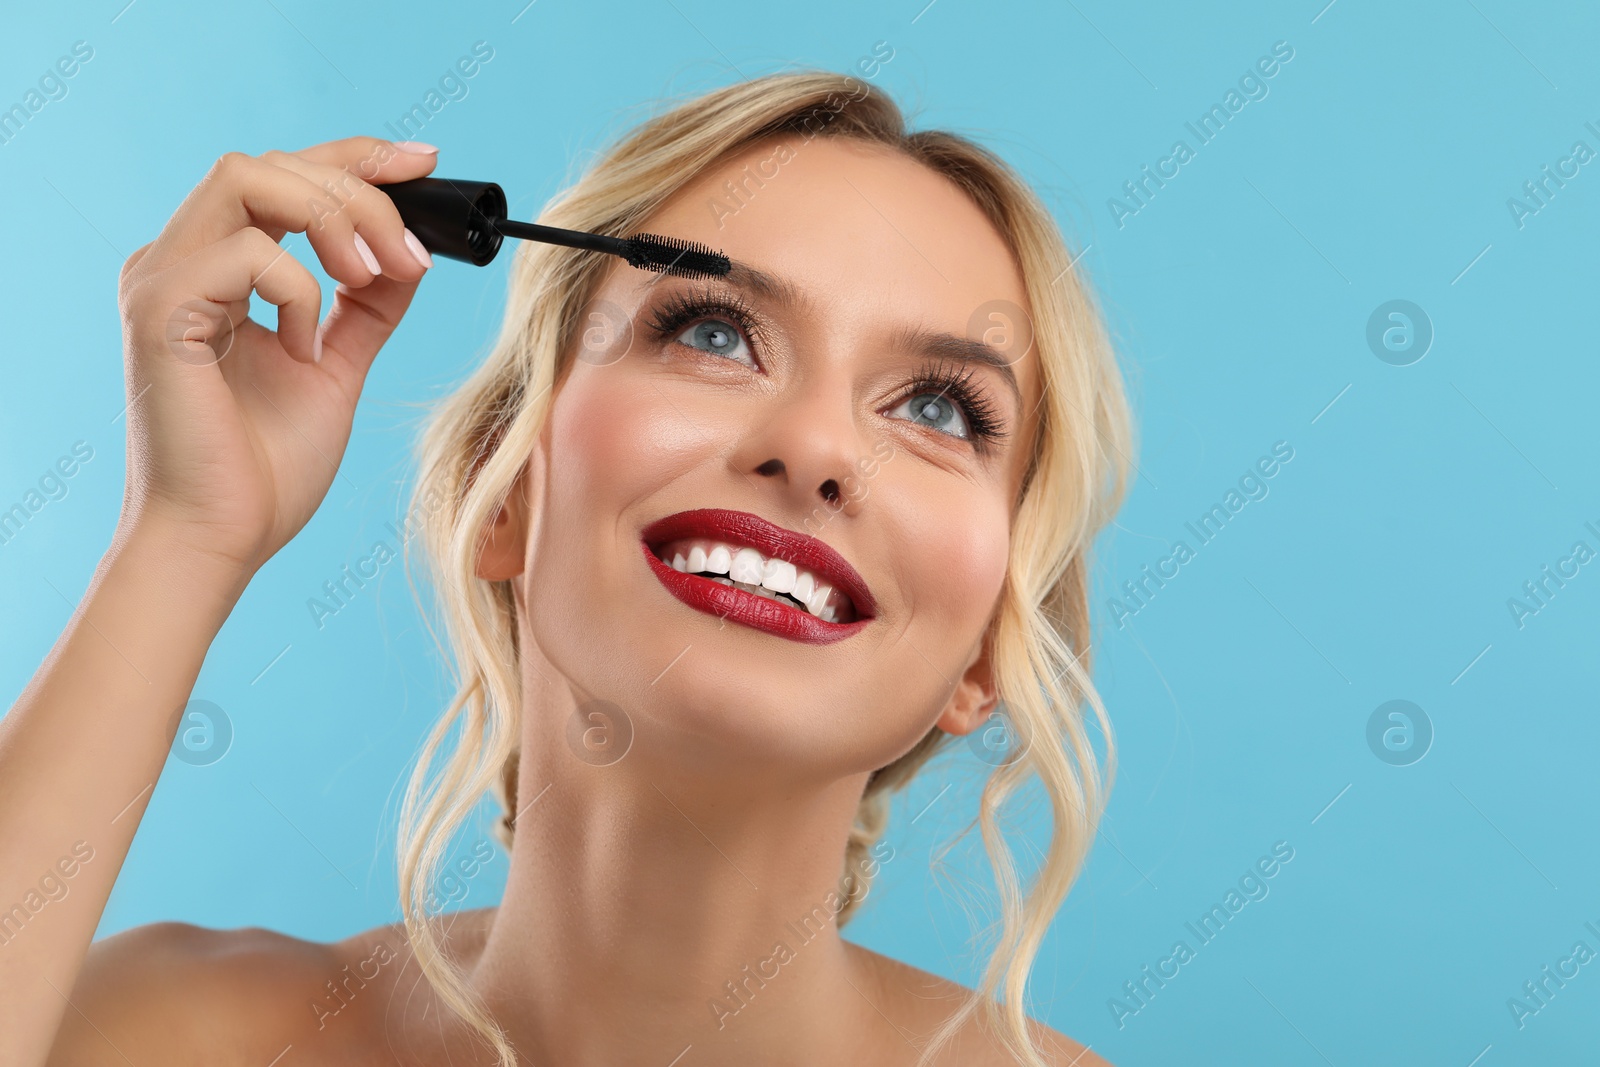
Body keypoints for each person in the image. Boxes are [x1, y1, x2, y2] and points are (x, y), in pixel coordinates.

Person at [5, 70, 1130, 1065]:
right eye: (714, 332)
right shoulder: (173, 1032)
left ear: (989, 642)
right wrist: (184, 536)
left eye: (939, 407)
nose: (821, 447)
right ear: (508, 488)